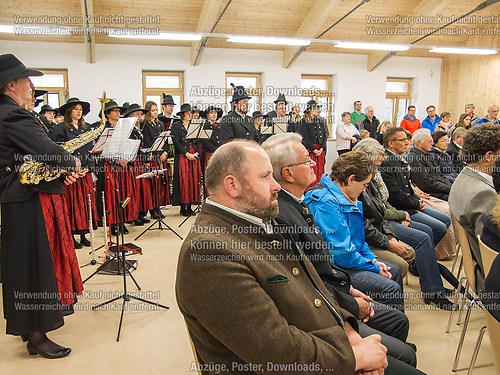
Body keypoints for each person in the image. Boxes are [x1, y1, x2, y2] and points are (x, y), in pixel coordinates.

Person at [176, 139, 424, 375]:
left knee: (402, 357)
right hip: (305, 362)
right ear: (232, 186)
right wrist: (354, 356)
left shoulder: (255, 222)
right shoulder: (209, 251)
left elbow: (310, 284)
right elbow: (275, 351)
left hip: (321, 340)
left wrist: (348, 330)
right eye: (265, 177)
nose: (276, 186)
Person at [263, 133, 418, 366]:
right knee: (404, 345)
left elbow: (338, 252)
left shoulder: (299, 202)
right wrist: (351, 303)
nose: (314, 162)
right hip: (327, 307)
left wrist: (351, 285)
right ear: (288, 173)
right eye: (306, 160)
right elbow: (313, 278)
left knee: (397, 318)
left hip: (337, 286)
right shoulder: (286, 215)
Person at [0, 53, 83, 358]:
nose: (31, 85)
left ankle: (28, 326)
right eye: (27, 80)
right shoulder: (12, 114)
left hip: (16, 198)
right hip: (26, 199)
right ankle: (37, 333)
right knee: (35, 266)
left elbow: (27, 159)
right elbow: (46, 150)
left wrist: (58, 177)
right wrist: (70, 162)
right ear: (12, 85)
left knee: (22, 266)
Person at [354, 138, 456, 309]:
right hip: (380, 223)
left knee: (433, 229)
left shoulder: (372, 173)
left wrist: (404, 210)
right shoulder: (359, 179)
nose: (377, 168)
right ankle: (432, 291)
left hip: (387, 217)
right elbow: (376, 211)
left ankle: (425, 272)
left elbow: (382, 202)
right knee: (423, 238)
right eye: (376, 165)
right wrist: (400, 215)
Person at [304, 151, 405, 311]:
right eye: (364, 184)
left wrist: (372, 260)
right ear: (351, 179)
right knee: (390, 287)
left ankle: (388, 320)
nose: (365, 190)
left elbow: (359, 240)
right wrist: (373, 267)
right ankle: (387, 323)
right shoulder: (326, 203)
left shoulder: (348, 198)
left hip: (349, 260)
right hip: (336, 267)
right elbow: (341, 253)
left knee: (395, 271)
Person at [380, 127, 452, 253]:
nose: (407, 143)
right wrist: (415, 203)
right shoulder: (388, 162)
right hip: (401, 207)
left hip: (410, 202)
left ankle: (423, 255)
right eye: (403, 140)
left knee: (445, 219)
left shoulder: (398, 159)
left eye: (407, 140)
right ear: (391, 143)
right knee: (436, 228)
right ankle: (419, 258)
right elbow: (394, 194)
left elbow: (408, 185)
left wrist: (417, 199)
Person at [449, 124, 500, 292]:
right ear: (489, 156)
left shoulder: (464, 175)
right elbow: (491, 249)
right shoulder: (483, 193)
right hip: (489, 277)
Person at [50, 97, 98, 248]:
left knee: (84, 204)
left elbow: (92, 151)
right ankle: (71, 234)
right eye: (75, 108)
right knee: (72, 205)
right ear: (68, 111)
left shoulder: (87, 128)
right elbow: (59, 151)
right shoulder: (60, 128)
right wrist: (72, 169)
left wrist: (88, 167)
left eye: (80, 109)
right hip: (71, 174)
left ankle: (83, 234)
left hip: (84, 173)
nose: (79, 111)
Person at [170, 103, 201, 216]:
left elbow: (198, 140)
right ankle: (183, 206)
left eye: (190, 113)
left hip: (193, 154)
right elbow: (176, 142)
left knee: (193, 180)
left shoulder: (194, 125)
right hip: (183, 155)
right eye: (187, 113)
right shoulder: (177, 126)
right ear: (182, 114)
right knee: (184, 181)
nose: (189, 115)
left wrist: (197, 152)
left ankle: (190, 205)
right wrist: (186, 153)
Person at [141, 100, 170, 220]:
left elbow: (166, 141)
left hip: (161, 157)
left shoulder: (160, 124)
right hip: (153, 157)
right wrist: (158, 153)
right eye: (152, 110)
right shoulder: (145, 125)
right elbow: (148, 142)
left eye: (156, 110)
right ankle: (153, 209)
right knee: (153, 183)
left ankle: (158, 206)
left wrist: (165, 152)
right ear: (148, 112)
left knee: (160, 183)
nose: (155, 112)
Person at [407, 129, 452, 201]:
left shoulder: (427, 155)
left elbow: (439, 175)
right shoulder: (414, 158)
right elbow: (426, 183)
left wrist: (451, 186)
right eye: (429, 141)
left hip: (439, 189)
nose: (432, 143)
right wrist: (450, 189)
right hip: (430, 193)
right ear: (419, 143)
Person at [299, 100, 327, 185]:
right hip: (311, 149)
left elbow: (324, 135)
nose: (318, 110)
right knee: (312, 170)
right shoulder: (304, 121)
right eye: (315, 108)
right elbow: (304, 137)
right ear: (310, 110)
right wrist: (314, 149)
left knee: (320, 170)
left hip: (320, 149)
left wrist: (322, 148)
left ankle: (319, 187)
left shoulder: (320, 121)